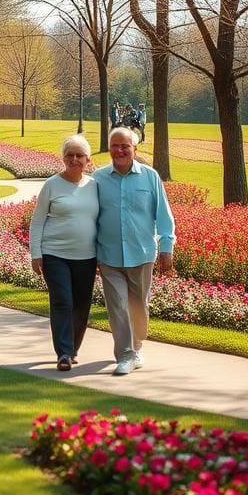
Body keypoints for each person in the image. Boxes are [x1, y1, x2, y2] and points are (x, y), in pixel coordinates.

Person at [95, 127, 176, 376]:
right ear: (109, 148)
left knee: (139, 307)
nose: (119, 150)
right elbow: (90, 216)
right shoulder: (98, 178)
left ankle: (136, 346)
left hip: (141, 254)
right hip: (108, 255)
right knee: (118, 306)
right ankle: (126, 355)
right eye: (115, 146)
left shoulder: (150, 177)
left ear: (134, 149)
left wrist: (166, 247)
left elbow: (163, 215)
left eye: (125, 146)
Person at [29, 135, 99, 372]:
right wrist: (36, 253)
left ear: (88, 159)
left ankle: (73, 348)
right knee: (62, 302)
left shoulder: (94, 186)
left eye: (80, 155)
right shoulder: (51, 185)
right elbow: (37, 221)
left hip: (87, 256)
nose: (74, 159)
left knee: (81, 304)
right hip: (54, 254)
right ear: (63, 158)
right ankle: (64, 353)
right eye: (70, 155)